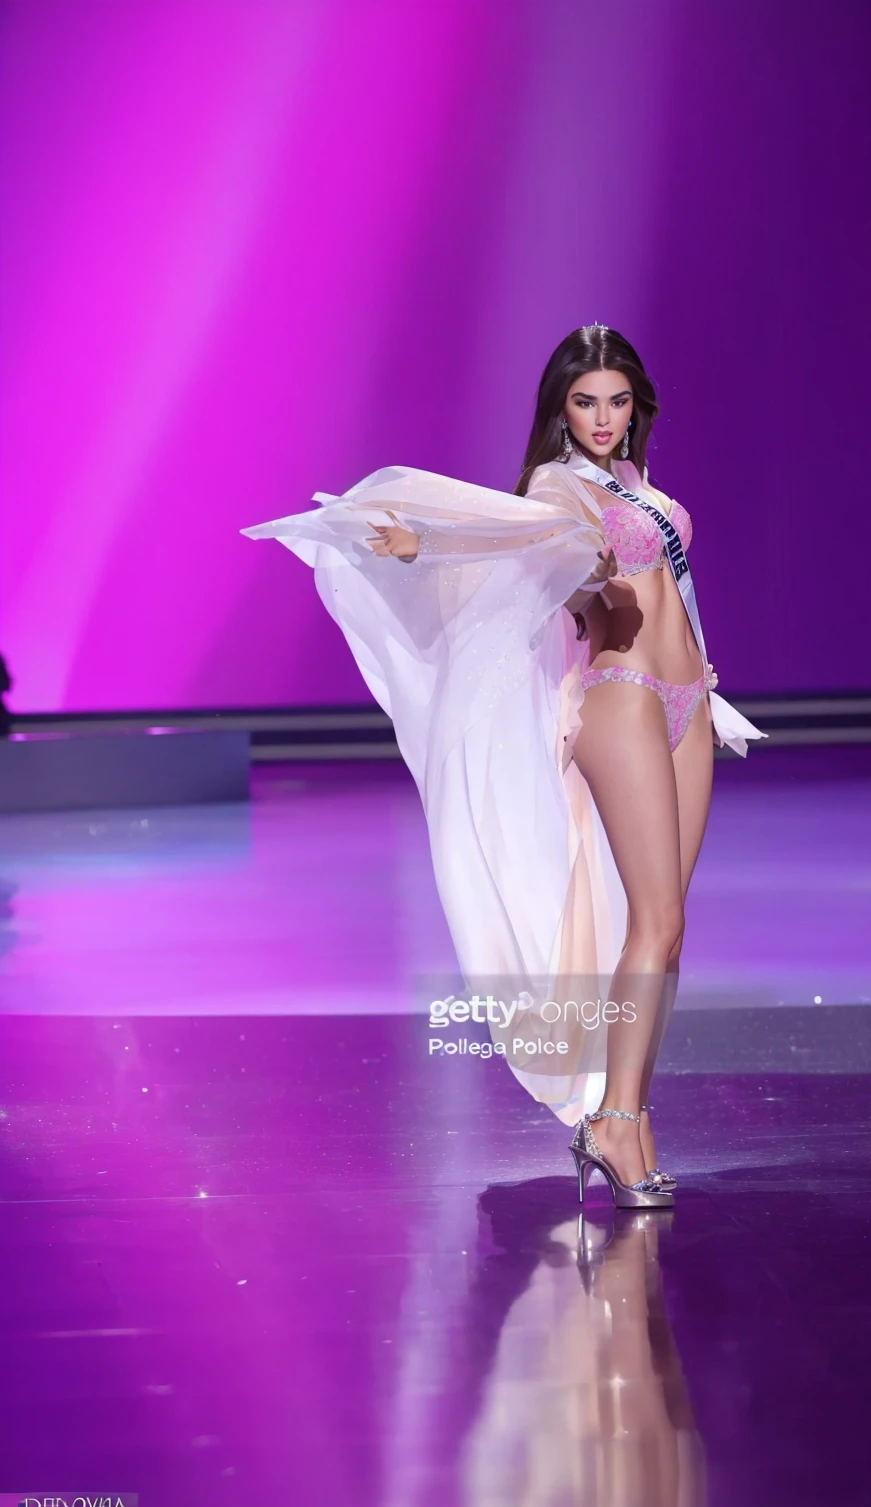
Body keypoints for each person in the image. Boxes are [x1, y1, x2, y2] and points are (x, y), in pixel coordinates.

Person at [241, 325, 765, 1209]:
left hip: (688, 701)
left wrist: (707, 695)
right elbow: (508, 546)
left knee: (666, 933)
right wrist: (422, 548)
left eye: (617, 401)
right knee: (657, 918)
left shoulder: (644, 490)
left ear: (638, 406)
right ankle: (616, 1126)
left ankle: (625, 1113)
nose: (603, 418)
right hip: (623, 693)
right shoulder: (561, 486)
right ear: (561, 410)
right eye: (585, 402)